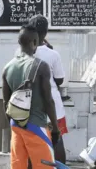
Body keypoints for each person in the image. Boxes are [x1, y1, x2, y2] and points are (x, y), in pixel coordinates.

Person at [2, 25, 60, 169]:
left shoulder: (8, 67)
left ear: (19, 42)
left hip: (16, 125)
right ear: (35, 42)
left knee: (18, 166)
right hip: (36, 125)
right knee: (45, 166)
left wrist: (14, 124)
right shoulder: (41, 66)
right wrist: (55, 128)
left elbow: (6, 102)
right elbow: (48, 101)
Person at [29, 15, 68, 164]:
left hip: (32, 106)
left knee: (33, 142)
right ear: (45, 33)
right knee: (57, 140)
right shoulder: (53, 54)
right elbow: (59, 79)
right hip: (54, 105)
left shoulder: (22, 52)